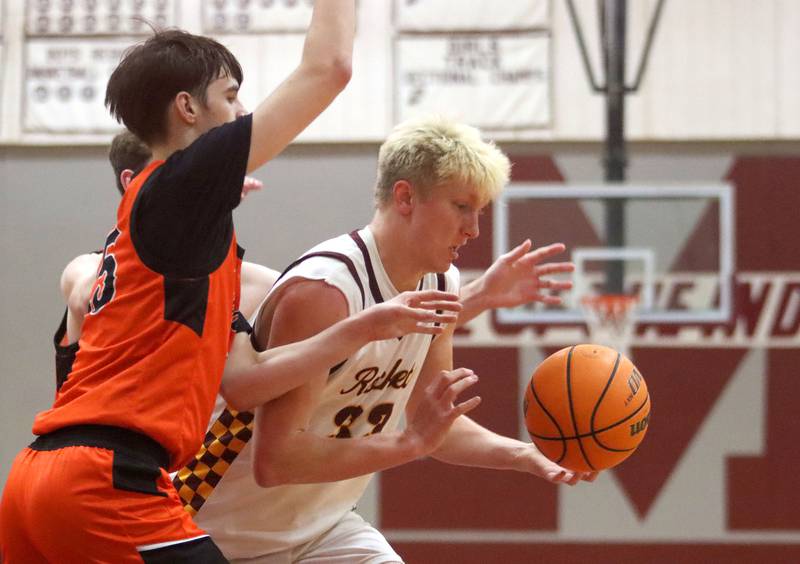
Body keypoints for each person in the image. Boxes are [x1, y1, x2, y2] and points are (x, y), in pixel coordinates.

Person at [0, 4, 456, 561]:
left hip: (40, 478)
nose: (243, 111)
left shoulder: (185, 250)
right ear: (187, 108)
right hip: (109, 482)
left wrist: (365, 328)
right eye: (231, 95)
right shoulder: (176, 183)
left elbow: (245, 383)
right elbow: (329, 69)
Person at [187, 115, 596, 563]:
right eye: (462, 206)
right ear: (405, 197)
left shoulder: (441, 281)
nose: (474, 229)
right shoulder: (328, 290)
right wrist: (408, 444)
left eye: (479, 211)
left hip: (323, 531)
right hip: (225, 535)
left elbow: (437, 427)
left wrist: (525, 455)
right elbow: (276, 461)